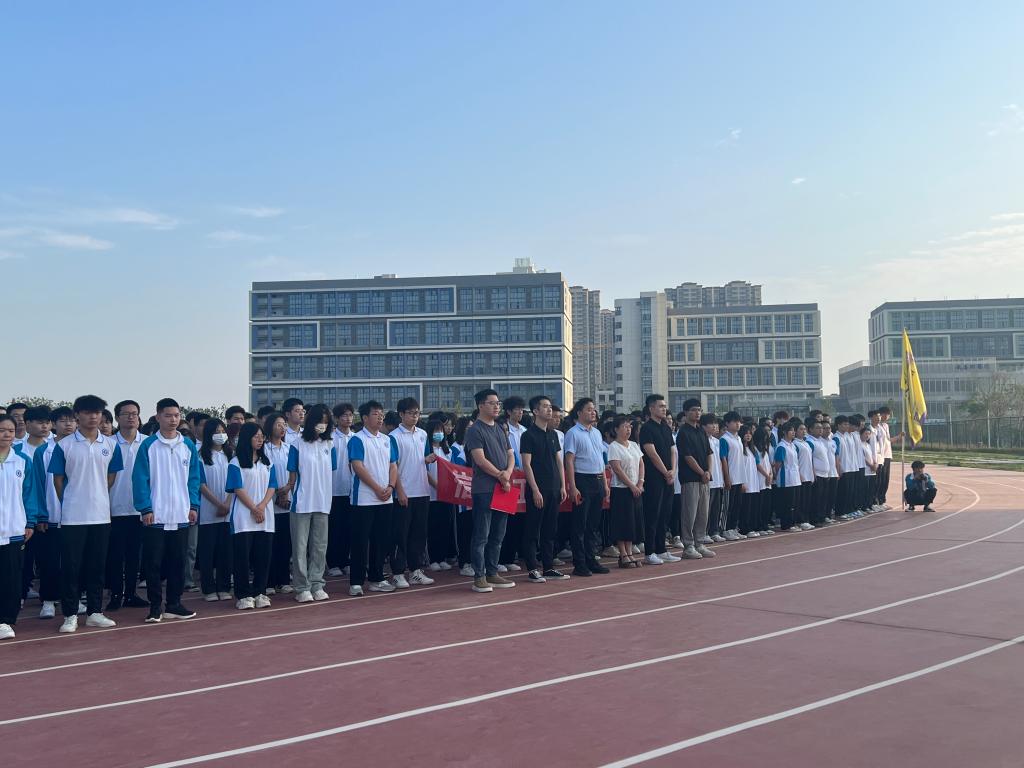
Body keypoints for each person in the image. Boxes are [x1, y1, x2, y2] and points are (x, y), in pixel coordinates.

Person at [48, 394, 124, 633]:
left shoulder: (111, 445)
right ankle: (70, 614)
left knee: (97, 566)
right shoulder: (64, 445)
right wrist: (71, 500)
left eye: (97, 412)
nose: (93, 417)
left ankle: (94, 612)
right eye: (88, 412)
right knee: (71, 567)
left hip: (101, 515)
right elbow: (58, 481)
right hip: (73, 516)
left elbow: (111, 477)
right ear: (77, 415)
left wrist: (96, 496)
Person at [133, 398, 201, 623]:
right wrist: (145, 508)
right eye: (168, 415)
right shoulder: (149, 446)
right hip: (156, 515)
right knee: (153, 563)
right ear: (158, 416)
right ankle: (155, 607)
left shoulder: (187, 446)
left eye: (176, 415)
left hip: (181, 514)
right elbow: (140, 479)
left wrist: (193, 505)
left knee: (177, 562)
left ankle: (174, 603)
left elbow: (194, 479)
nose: (173, 420)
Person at [465, 389, 517, 592]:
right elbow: (480, 460)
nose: (497, 406)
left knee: (498, 534)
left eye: (498, 403)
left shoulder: (500, 429)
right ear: (481, 406)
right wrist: (500, 475)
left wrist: (507, 474)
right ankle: (479, 576)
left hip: (503, 487)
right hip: (485, 489)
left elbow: (510, 454)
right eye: (492, 403)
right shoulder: (475, 430)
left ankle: (492, 572)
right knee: (482, 535)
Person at [286, 404, 337, 603]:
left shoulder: (329, 444)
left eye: (326, 421)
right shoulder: (297, 444)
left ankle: (317, 583)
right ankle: (301, 587)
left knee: (320, 546)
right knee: (300, 547)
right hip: (302, 502)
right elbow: (292, 475)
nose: (322, 425)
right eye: (319, 421)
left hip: (323, 501)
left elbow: (331, 470)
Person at [348, 400, 399, 596]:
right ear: (365, 418)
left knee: (381, 539)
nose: (380, 417)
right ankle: (356, 582)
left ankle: (377, 578)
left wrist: (391, 486)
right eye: (375, 414)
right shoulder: (357, 439)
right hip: (363, 498)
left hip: (385, 498)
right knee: (360, 541)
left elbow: (393, 465)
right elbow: (358, 466)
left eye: (381, 414)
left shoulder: (387, 440)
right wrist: (377, 488)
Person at [226, 422, 277, 610]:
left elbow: (272, 486)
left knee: (263, 557)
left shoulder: (267, 462)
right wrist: (254, 508)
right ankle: (243, 594)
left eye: (262, 436)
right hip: (243, 517)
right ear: (247, 438)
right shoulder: (235, 462)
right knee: (242, 558)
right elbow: (237, 488)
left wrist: (262, 506)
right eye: (256, 436)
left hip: (265, 515)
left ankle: (260, 592)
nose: (260, 440)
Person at [32, 406, 76, 619]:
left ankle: (72, 599)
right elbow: (38, 485)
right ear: (53, 424)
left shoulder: (79, 448)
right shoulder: (43, 451)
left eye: (71, 420)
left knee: (73, 562)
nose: (68, 424)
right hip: (51, 515)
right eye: (63, 420)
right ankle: (48, 600)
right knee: (50, 561)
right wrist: (41, 514)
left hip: (76, 517)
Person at [519, 394, 569, 582]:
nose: (550, 410)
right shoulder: (528, 435)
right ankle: (533, 568)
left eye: (550, 406)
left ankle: (548, 567)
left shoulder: (553, 434)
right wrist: (535, 489)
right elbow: (527, 464)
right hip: (538, 489)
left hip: (554, 488)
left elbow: (559, 461)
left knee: (550, 529)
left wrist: (562, 485)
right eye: (545, 407)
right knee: (533, 529)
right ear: (535, 411)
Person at [0, 414, 41, 640]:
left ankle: (6, 620)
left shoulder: (22, 460)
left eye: (10, 430)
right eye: (1, 430)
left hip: (14, 530)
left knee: (10, 578)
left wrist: (29, 521)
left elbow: (29, 494)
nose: (6, 434)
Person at [106, 399, 147, 611]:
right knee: (115, 556)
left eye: (134, 413)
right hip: (114, 508)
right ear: (117, 417)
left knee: (134, 556)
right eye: (126, 414)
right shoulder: (108, 443)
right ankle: (115, 594)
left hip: (140, 510)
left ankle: (131, 593)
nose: (131, 417)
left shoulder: (148, 443)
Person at [390, 397, 436, 589]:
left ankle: (416, 570)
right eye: (411, 413)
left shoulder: (423, 434)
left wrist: (428, 459)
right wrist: (399, 491)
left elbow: (422, 459)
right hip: (404, 491)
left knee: (419, 533)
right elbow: (393, 466)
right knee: (401, 534)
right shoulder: (393, 437)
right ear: (401, 414)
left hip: (422, 490)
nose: (415, 416)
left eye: (417, 413)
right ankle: (398, 572)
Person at [563, 397, 610, 577]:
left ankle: (592, 559)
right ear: (579, 412)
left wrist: (604, 483)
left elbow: (600, 459)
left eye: (594, 409)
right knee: (580, 524)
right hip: (582, 479)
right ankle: (580, 563)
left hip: (597, 479)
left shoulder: (596, 433)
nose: (593, 412)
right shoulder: (573, 433)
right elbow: (569, 460)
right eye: (589, 409)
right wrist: (572, 486)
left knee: (593, 524)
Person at [639, 395, 678, 566]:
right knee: (652, 514)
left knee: (665, 514)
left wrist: (673, 471)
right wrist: (665, 472)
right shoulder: (647, 428)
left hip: (668, 477)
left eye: (664, 406)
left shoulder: (666, 428)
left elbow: (673, 450)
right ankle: (650, 552)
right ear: (651, 408)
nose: (664, 409)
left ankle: (662, 549)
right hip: (654, 477)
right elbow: (651, 453)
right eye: (660, 406)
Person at [197, 418, 234, 602]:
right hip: (208, 511)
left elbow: (235, 482)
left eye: (222, 430)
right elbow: (201, 484)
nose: (220, 434)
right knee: (207, 552)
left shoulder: (231, 455)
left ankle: (224, 586)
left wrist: (227, 503)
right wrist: (218, 504)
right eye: (216, 431)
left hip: (229, 510)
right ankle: (209, 588)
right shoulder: (200, 456)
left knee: (225, 552)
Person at [676, 398, 715, 559]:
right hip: (690, 478)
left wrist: (708, 472)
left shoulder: (701, 431)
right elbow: (687, 457)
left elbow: (709, 453)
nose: (697, 413)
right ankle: (688, 545)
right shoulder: (683, 433)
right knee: (690, 513)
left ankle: (700, 542)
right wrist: (701, 472)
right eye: (693, 410)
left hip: (704, 478)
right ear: (686, 412)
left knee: (703, 513)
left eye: (699, 410)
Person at [606, 414, 644, 568]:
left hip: (636, 489)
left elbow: (641, 463)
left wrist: (640, 482)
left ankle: (630, 552)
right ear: (616, 429)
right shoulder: (614, 447)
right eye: (624, 427)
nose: (628, 429)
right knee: (622, 522)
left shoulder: (634, 445)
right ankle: (623, 554)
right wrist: (631, 486)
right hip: (621, 490)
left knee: (632, 522)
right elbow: (617, 469)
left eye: (630, 426)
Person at [263, 412, 293, 594]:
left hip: (287, 501)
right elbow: (264, 475)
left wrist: (287, 489)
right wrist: (276, 495)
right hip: (270, 502)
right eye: (278, 424)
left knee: (285, 544)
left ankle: (283, 579)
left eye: (284, 424)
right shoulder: (264, 449)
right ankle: (269, 582)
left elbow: (294, 472)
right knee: (270, 545)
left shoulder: (289, 448)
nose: (282, 428)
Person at [326, 403, 355, 579]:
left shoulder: (356, 437)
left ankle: (345, 561)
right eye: (344, 415)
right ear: (336, 419)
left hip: (351, 490)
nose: (348, 418)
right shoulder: (330, 438)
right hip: (334, 489)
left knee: (349, 528)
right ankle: (334, 562)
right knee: (334, 528)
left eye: (350, 415)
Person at [425, 416, 454, 572]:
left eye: (441, 431)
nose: (439, 433)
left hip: (446, 495)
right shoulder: (427, 450)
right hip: (431, 495)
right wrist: (436, 485)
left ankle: (442, 557)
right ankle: (433, 558)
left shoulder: (447, 450)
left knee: (444, 527)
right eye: (436, 430)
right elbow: (425, 472)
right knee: (433, 527)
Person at [719, 411, 745, 542]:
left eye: (739, 421)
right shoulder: (724, 439)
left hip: (739, 476)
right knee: (728, 505)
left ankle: (733, 527)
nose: (738, 424)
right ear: (727, 424)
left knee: (737, 504)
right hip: (731, 477)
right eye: (735, 422)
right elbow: (723, 459)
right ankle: (725, 529)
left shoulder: (739, 438)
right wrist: (727, 477)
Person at [772, 422, 802, 532]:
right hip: (786, 479)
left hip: (795, 477)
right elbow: (778, 464)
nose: (793, 432)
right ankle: (786, 524)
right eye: (791, 430)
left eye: (794, 430)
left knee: (794, 502)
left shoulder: (793, 445)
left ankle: (792, 523)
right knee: (787, 503)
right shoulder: (781, 446)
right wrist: (776, 476)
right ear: (784, 432)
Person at [702, 414, 726, 542]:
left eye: (715, 423)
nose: (715, 426)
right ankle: (704, 532)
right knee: (706, 508)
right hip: (708, 480)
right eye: (711, 424)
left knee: (716, 507)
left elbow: (720, 461)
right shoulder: (702, 440)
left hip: (718, 479)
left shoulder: (717, 441)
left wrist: (722, 478)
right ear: (703, 426)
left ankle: (714, 531)